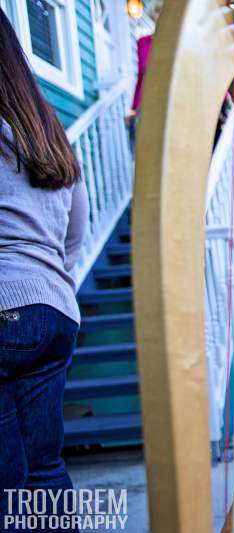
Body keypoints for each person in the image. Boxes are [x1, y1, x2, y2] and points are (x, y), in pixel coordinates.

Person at [0, 10, 88, 530]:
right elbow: (75, 231)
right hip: (55, 311)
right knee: (46, 467)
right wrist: (48, 287)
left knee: (8, 483)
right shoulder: (45, 129)